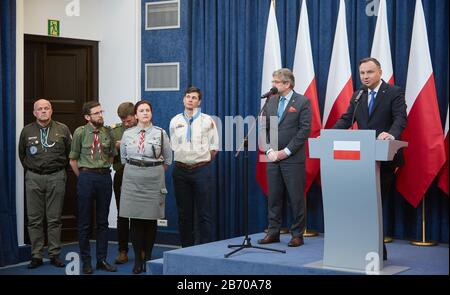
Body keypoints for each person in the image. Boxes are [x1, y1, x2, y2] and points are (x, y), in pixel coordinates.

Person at [332, 57, 407, 260]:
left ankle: (376, 250)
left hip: (384, 159)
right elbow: (347, 119)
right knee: (362, 205)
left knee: (374, 205)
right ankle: (369, 249)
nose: (365, 76)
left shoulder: (394, 92)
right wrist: (329, 134)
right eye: (362, 73)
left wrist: (391, 134)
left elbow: (401, 118)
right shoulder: (358, 95)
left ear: (380, 72)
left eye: (370, 72)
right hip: (362, 160)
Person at [257, 68, 312, 247]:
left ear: (287, 84)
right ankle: (273, 232)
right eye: (273, 82)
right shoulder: (270, 102)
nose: (273, 86)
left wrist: (286, 151)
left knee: (296, 198)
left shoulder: (303, 101)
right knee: (274, 197)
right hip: (272, 157)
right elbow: (263, 129)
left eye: (276, 82)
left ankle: (297, 234)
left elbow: (304, 130)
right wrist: (268, 151)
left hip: (292, 158)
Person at [119, 100, 172, 274]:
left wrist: (153, 170)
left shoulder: (161, 133)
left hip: (153, 178)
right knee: (134, 219)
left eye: (148, 110)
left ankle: (148, 256)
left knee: (151, 220)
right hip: (132, 178)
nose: (145, 113)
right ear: (135, 115)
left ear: (151, 113)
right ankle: (138, 260)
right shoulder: (127, 134)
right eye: (141, 110)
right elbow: (124, 158)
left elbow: (168, 159)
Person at [19, 99, 72, 269]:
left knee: (54, 219)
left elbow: (70, 153)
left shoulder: (62, 129)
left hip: (56, 177)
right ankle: (36, 255)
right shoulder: (27, 131)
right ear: (34, 113)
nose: (43, 111)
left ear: (51, 110)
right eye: (40, 109)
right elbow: (22, 155)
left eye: (46, 108)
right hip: (33, 178)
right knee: (34, 219)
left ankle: (55, 254)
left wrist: (60, 172)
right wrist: (32, 171)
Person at [69, 101, 117, 274]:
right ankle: (86, 262)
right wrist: (84, 177)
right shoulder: (80, 132)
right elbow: (73, 159)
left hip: (104, 177)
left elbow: (111, 156)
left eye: (101, 112)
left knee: (103, 222)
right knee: (84, 223)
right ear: (87, 117)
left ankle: (102, 260)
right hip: (86, 177)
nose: (100, 115)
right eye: (96, 113)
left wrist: (101, 168)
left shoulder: (108, 132)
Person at [169, 86, 219, 247]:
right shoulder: (175, 121)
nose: (190, 100)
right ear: (184, 99)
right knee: (184, 214)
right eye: (188, 97)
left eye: (194, 98)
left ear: (199, 102)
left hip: (201, 170)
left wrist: (200, 161)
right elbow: (173, 145)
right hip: (181, 171)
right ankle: (186, 248)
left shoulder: (207, 120)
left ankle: (206, 248)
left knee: (204, 213)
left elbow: (214, 148)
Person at [110, 102, 137, 264]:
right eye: (123, 121)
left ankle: (140, 250)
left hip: (140, 174)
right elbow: (108, 153)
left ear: (135, 115)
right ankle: (122, 251)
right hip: (121, 173)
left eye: (128, 120)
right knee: (122, 214)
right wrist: (116, 146)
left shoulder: (144, 128)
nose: (126, 124)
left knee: (138, 215)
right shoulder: (114, 131)